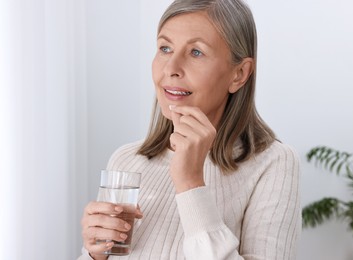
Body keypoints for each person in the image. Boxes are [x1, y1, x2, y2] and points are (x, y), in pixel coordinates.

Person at [79, 0, 301, 259]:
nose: (171, 69)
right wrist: (95, 254)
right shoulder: (127, 159)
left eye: (196, 52)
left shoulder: (274, 164)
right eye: (165, 48)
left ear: (239, 74)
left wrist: (190, 182)